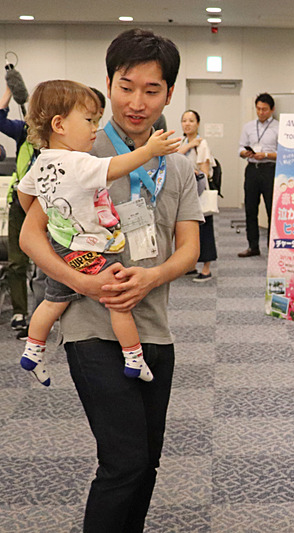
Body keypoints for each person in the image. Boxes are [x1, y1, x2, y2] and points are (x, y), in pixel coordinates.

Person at [19, 28, 203, 532]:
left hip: (154, 328)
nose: (137, 102)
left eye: (151, 89)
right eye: (126, 86)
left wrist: (152, 277)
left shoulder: (179, 165)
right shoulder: (75, 148)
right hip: (91, 327)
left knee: (146, 463)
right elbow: (31, 239)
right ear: (108, 82)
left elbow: (188, 248)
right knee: (123, 462)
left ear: (169, 92)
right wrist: (84, 285)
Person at [17, 80, 180, 387]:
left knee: (54, 299)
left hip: (61, 244)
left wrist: (55, 218)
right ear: (59, 124)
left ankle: (33, 350)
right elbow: (117, 167)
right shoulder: (78, 162)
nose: (95, 128)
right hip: (85, 250)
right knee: (117, 294)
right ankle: (134, 358)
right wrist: (149, 151)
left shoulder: (42, 162)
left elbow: (25, 196)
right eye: (89, 120)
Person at [0, 82, 35, 338]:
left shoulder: (60, 134)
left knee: (49, 265)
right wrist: (10, 89)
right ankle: (20, 313)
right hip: (20, 204)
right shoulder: (24, 131)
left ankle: (50, 310)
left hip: (50, 206)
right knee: (16, 263)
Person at [237, 92, 278, 257]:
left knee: (271, 210)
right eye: (258, 109)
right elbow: (240, 147)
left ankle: (272, 249)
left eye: (265, 109)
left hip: (270, 169)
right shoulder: (248, 126)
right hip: (252, 170)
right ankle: (252, 246)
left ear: (272, 109)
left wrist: (266, 155)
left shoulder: (279, 127)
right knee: (250, 209)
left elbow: (285, 153)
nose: (261, 112)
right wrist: (244, 153)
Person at [178, 109, 217, 281]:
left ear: (198, 124)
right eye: (184, 120)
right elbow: (173, 158)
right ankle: (191, 265)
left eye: (191, 121)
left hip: (199, 192)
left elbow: (205, 172)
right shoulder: (183, 141)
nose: (187, 124)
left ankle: (207, 268)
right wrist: (188, 146)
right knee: (189, 230)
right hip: (186, 193)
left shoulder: (202, 144)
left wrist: (194, 172)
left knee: (204, 230)